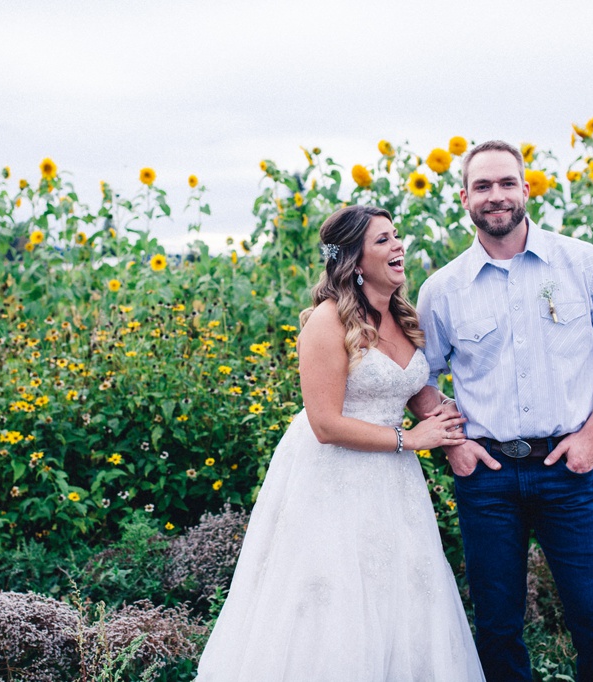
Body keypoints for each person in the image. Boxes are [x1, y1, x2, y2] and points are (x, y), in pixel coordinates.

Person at [195, 205, 484, 681]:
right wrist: (410, 439)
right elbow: (325, 423)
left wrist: (447, 414)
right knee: (336, 598)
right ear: (353, 260)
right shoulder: (326, 323)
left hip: (394, 481)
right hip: (335, 477)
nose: (399, 248)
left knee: (402, 593)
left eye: (397, 237)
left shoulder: (401, 314)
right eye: (384, 241)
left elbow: (409, 388)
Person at [411, 140, 593, 682]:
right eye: (482, 186)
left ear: (525, 188)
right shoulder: (443, 289)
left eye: (505, 183)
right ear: (464, 198)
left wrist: (592, 436)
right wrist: (456, 443)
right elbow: (417, 374)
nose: (495, 196)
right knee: (496, 627)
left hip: (569, 470)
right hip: (487, 479)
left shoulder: (585, 265)